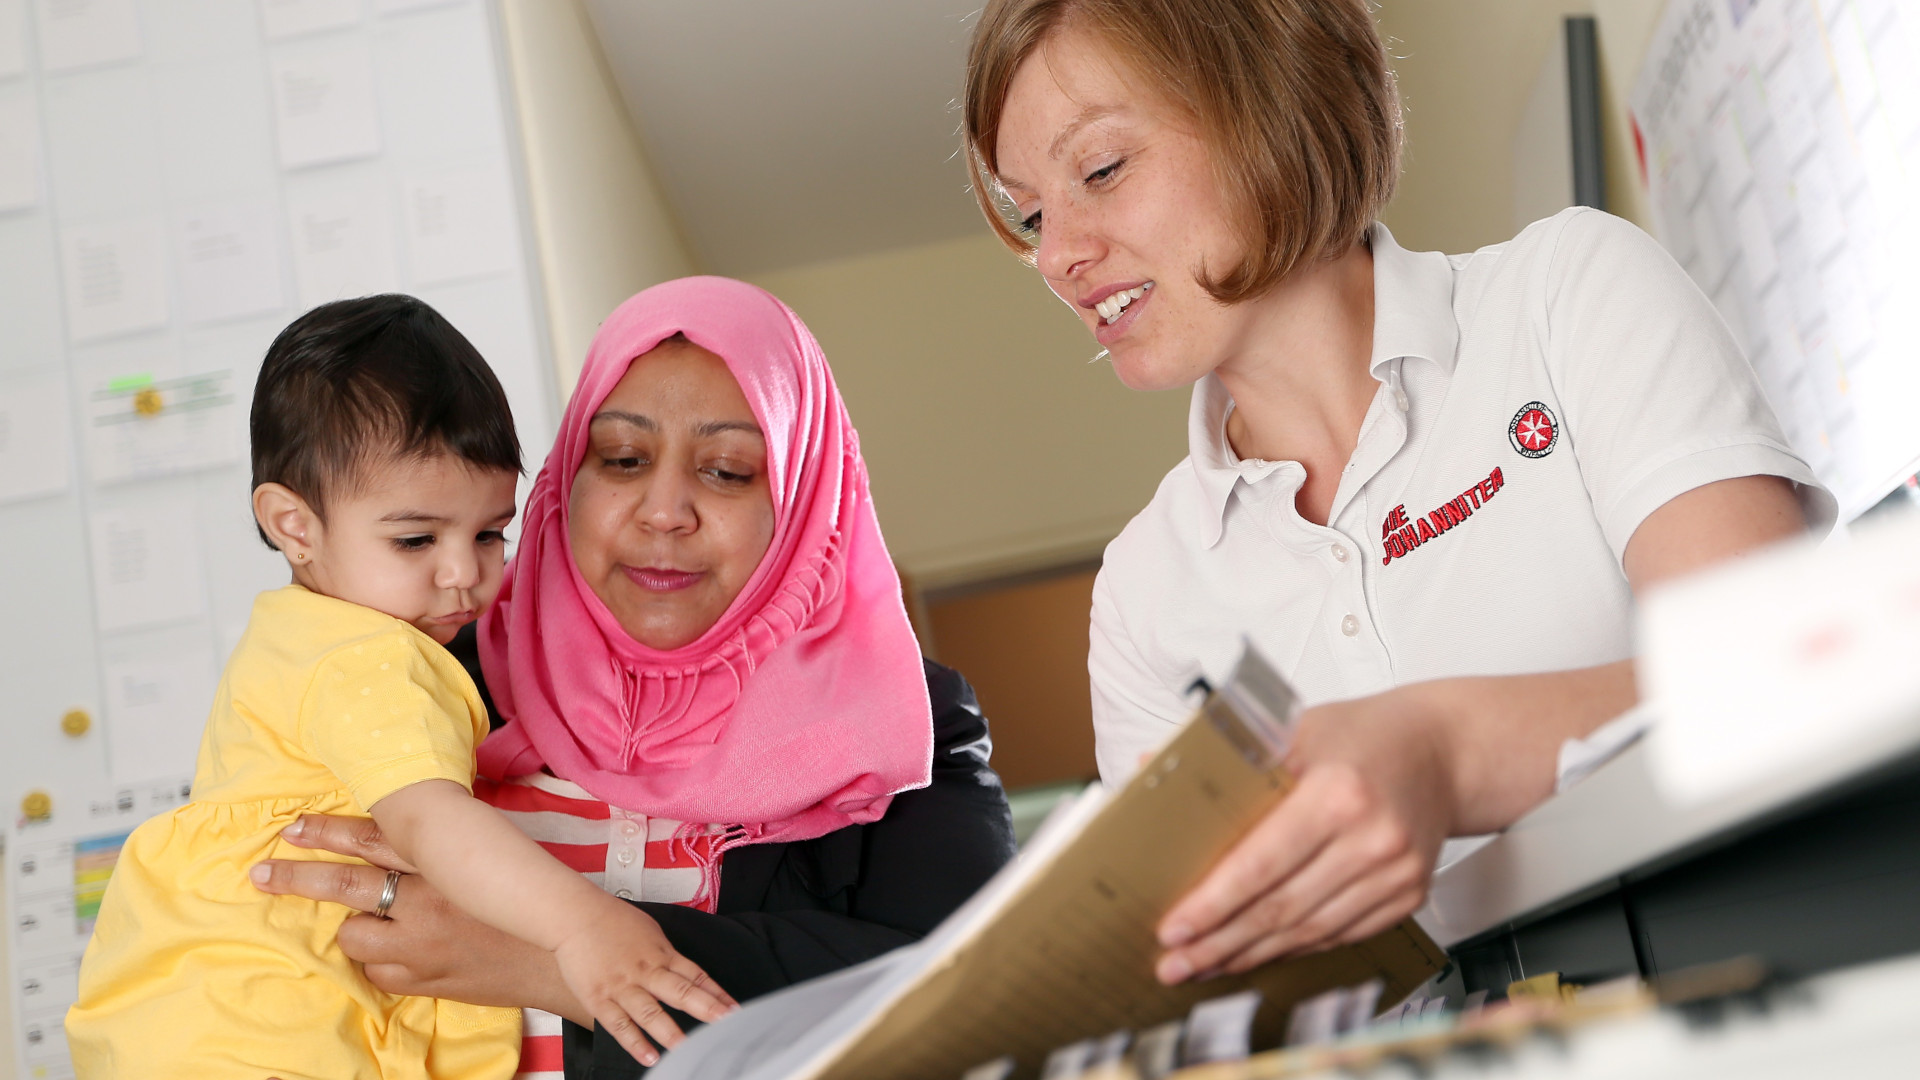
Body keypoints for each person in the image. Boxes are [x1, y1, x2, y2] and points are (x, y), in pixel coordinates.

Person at [962, 0, 1834, 988]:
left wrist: (1445, 751)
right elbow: (1206, 985)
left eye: (1102, 170)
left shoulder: (1566, 297)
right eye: (1032, 216)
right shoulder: (1141, 593)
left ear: (1273, 100)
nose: (1057, 255)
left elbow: (1788, 675)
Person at [249, 277, 1018, 1079]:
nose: (664, 511)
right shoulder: (425, 681)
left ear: (800, 500)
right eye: (621, 458)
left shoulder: (904, 727)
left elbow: (978, 995)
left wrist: (547, 967)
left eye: (726, 471)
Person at [65, 295, 734, 1080]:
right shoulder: (367, 656)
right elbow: (430, 824)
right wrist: (585, 929)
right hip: (263, 1025)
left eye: (489, 533)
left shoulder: (297, 633)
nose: (463, 575)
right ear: (293, 526)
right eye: (416, 538)